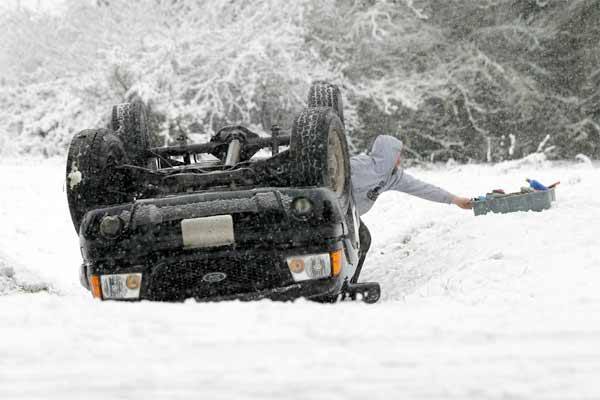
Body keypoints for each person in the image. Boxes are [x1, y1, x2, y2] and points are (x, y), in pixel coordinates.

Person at [350, 135, 472, 282]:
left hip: (350, 214)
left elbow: (423, 188)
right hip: (332, 209)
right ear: (388, 153)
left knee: (363, 240)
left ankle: (349, 282)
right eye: (397, 155)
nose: (399, 159)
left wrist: (455, 200)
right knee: (354, 241)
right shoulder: (359, 164)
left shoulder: (393, 176)